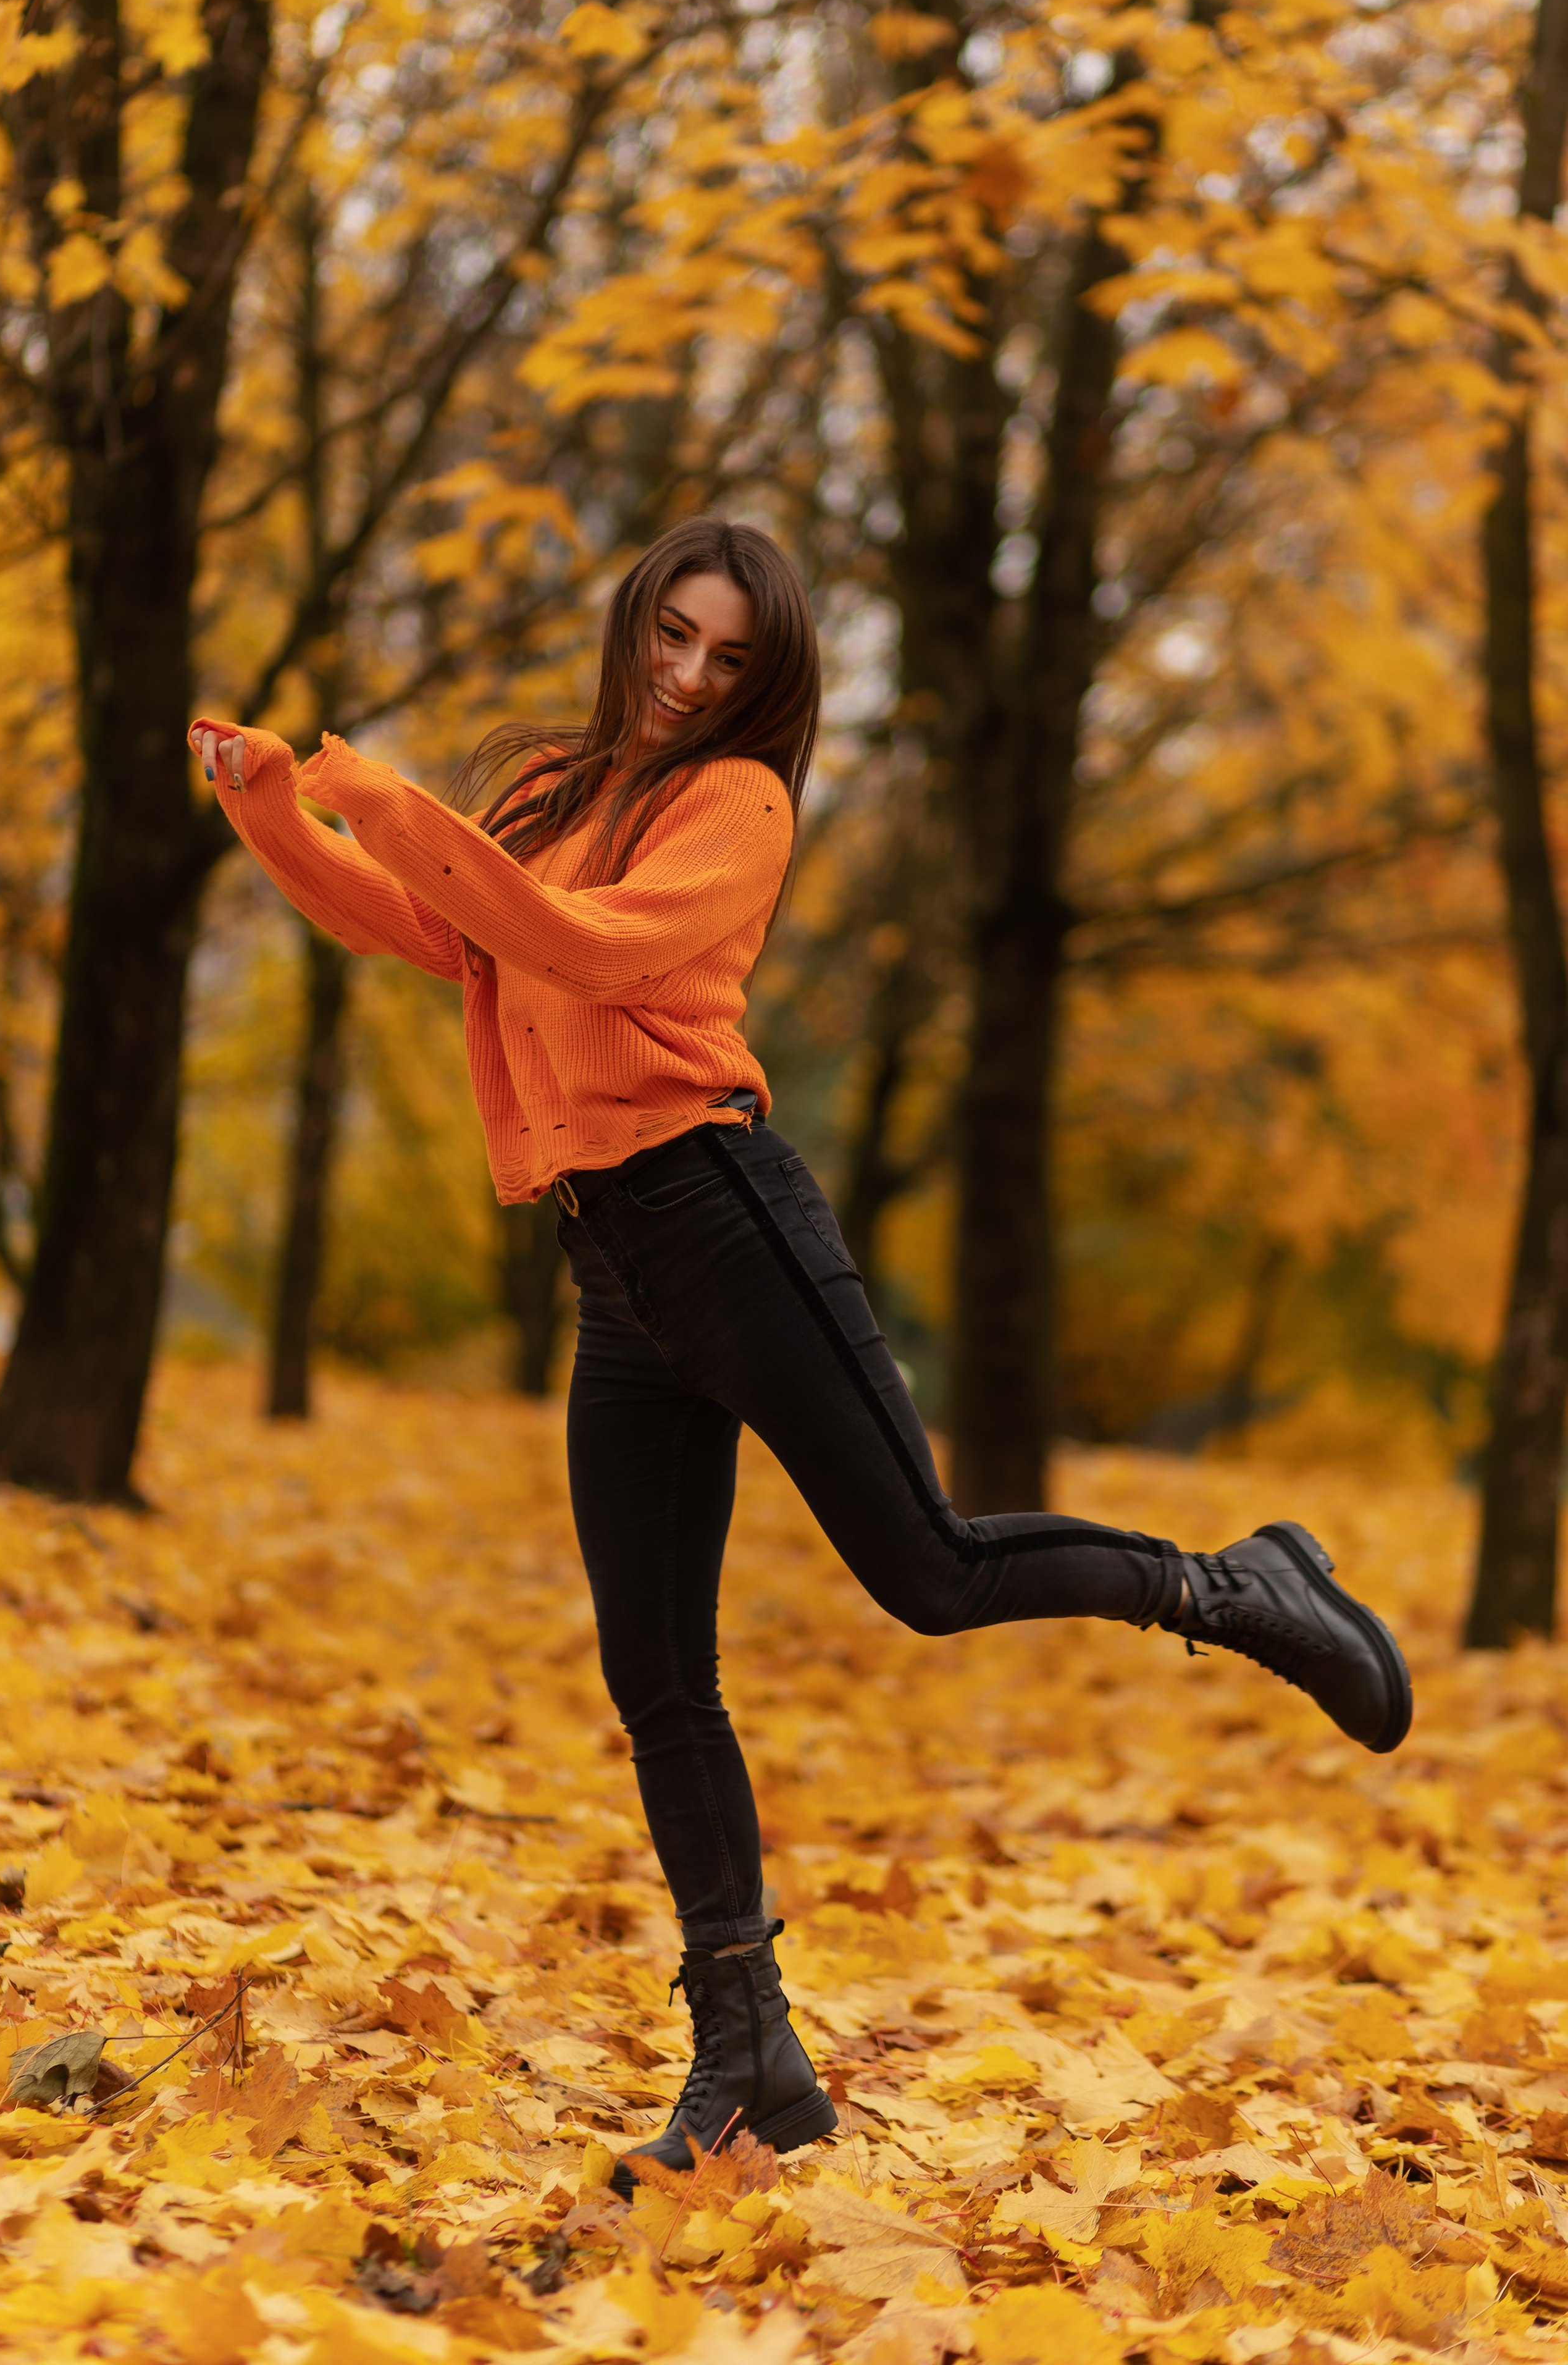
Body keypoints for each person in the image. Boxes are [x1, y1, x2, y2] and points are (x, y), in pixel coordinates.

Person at [190, 515, 1412, 2198]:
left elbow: (586, 949)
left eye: (730, 657)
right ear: (634, 621)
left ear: (767, 682)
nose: (691, 676)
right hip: (616, 1270)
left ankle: (1235, 1587)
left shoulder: (738, 806)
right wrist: (274, 803)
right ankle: (748, 2056)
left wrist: (378, 790)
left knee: (930, 1569)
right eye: (672, 637)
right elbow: (440, 930)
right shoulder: (553, 787)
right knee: (657, 1678)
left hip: (721, 1218)